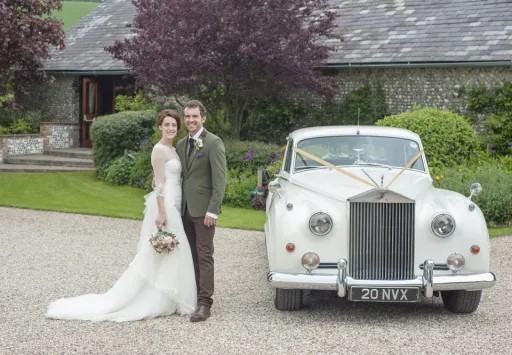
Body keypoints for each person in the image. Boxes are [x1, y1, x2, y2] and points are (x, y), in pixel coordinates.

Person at [45, 110, 197, 322]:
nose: (171, 128)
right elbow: (158, 184)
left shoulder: (173, 149)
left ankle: (169, 295)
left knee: (171, 249)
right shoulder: (159, 150)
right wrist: (162, 212)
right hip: (167, 204)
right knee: (166, 247)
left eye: (174, 125)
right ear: (159, 127)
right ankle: (157, 296)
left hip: (177, 201)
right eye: (167, 124)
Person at [176, 100, 227, 322]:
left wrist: (213, 211)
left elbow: (220, 180)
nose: (190, 120)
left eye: (195, 116)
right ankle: (194, 295)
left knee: (205, 255)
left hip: (204, 211)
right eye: (187, 116)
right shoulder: (180, 144)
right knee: (190, 255)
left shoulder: (213, 143)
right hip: (184, 210)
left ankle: (205, 303)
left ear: (203, 118)